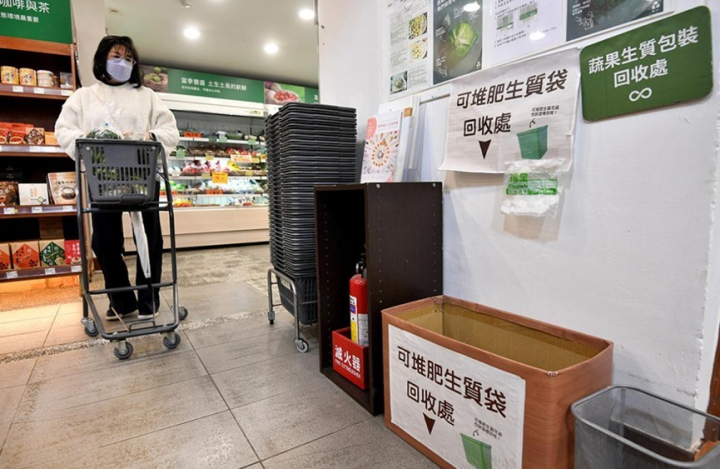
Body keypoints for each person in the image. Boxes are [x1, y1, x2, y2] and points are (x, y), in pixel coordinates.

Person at [55, 36, 179, 321]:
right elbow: (64, 129)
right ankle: (122, 301)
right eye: (117, 56)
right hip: (103, 177)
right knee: (104, 241)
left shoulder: (147, 96)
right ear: (102, 58)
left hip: (143, 173)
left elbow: (169, 128)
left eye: (129, 58)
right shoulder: (84, 97)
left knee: (150, 238)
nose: (124, 63)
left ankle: (149, 300)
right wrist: (91, 139)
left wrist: (152, 136)